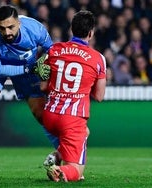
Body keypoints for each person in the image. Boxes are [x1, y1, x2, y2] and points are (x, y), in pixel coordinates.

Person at [0, 5, 57, 181]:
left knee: (41, 114)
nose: (7, 32)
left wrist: (47, 69)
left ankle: (66, 156)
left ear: (19, 22)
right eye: (2, 28)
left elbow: (52, 51)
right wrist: (28, 69)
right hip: (0, 70)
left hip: (29, 68)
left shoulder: (35, 28)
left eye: (11, 27)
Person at [40, 10, 106, 182]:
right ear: (91, 33)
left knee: (85, 132)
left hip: (49, 115)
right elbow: (99, 96)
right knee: (77, 172)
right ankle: (57, 170)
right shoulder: (98, 58)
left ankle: (55, 157)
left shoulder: (54, 50)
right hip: (72, 118)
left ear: (71, 29)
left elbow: (43, 86)